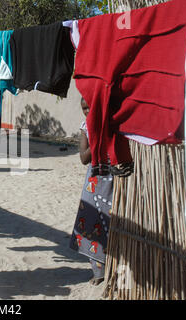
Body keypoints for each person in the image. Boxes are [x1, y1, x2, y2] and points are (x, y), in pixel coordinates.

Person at [69, 97, 113, 285]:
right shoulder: (86, 127)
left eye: (89, 108)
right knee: (90, 222)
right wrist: (97, 137)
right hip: (94, 183)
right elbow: (83, 158)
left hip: (114, 182)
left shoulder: (112, 122)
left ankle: (114, 268)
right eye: (84, 109)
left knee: (112, 224)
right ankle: (98, 271)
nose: (87, 111)